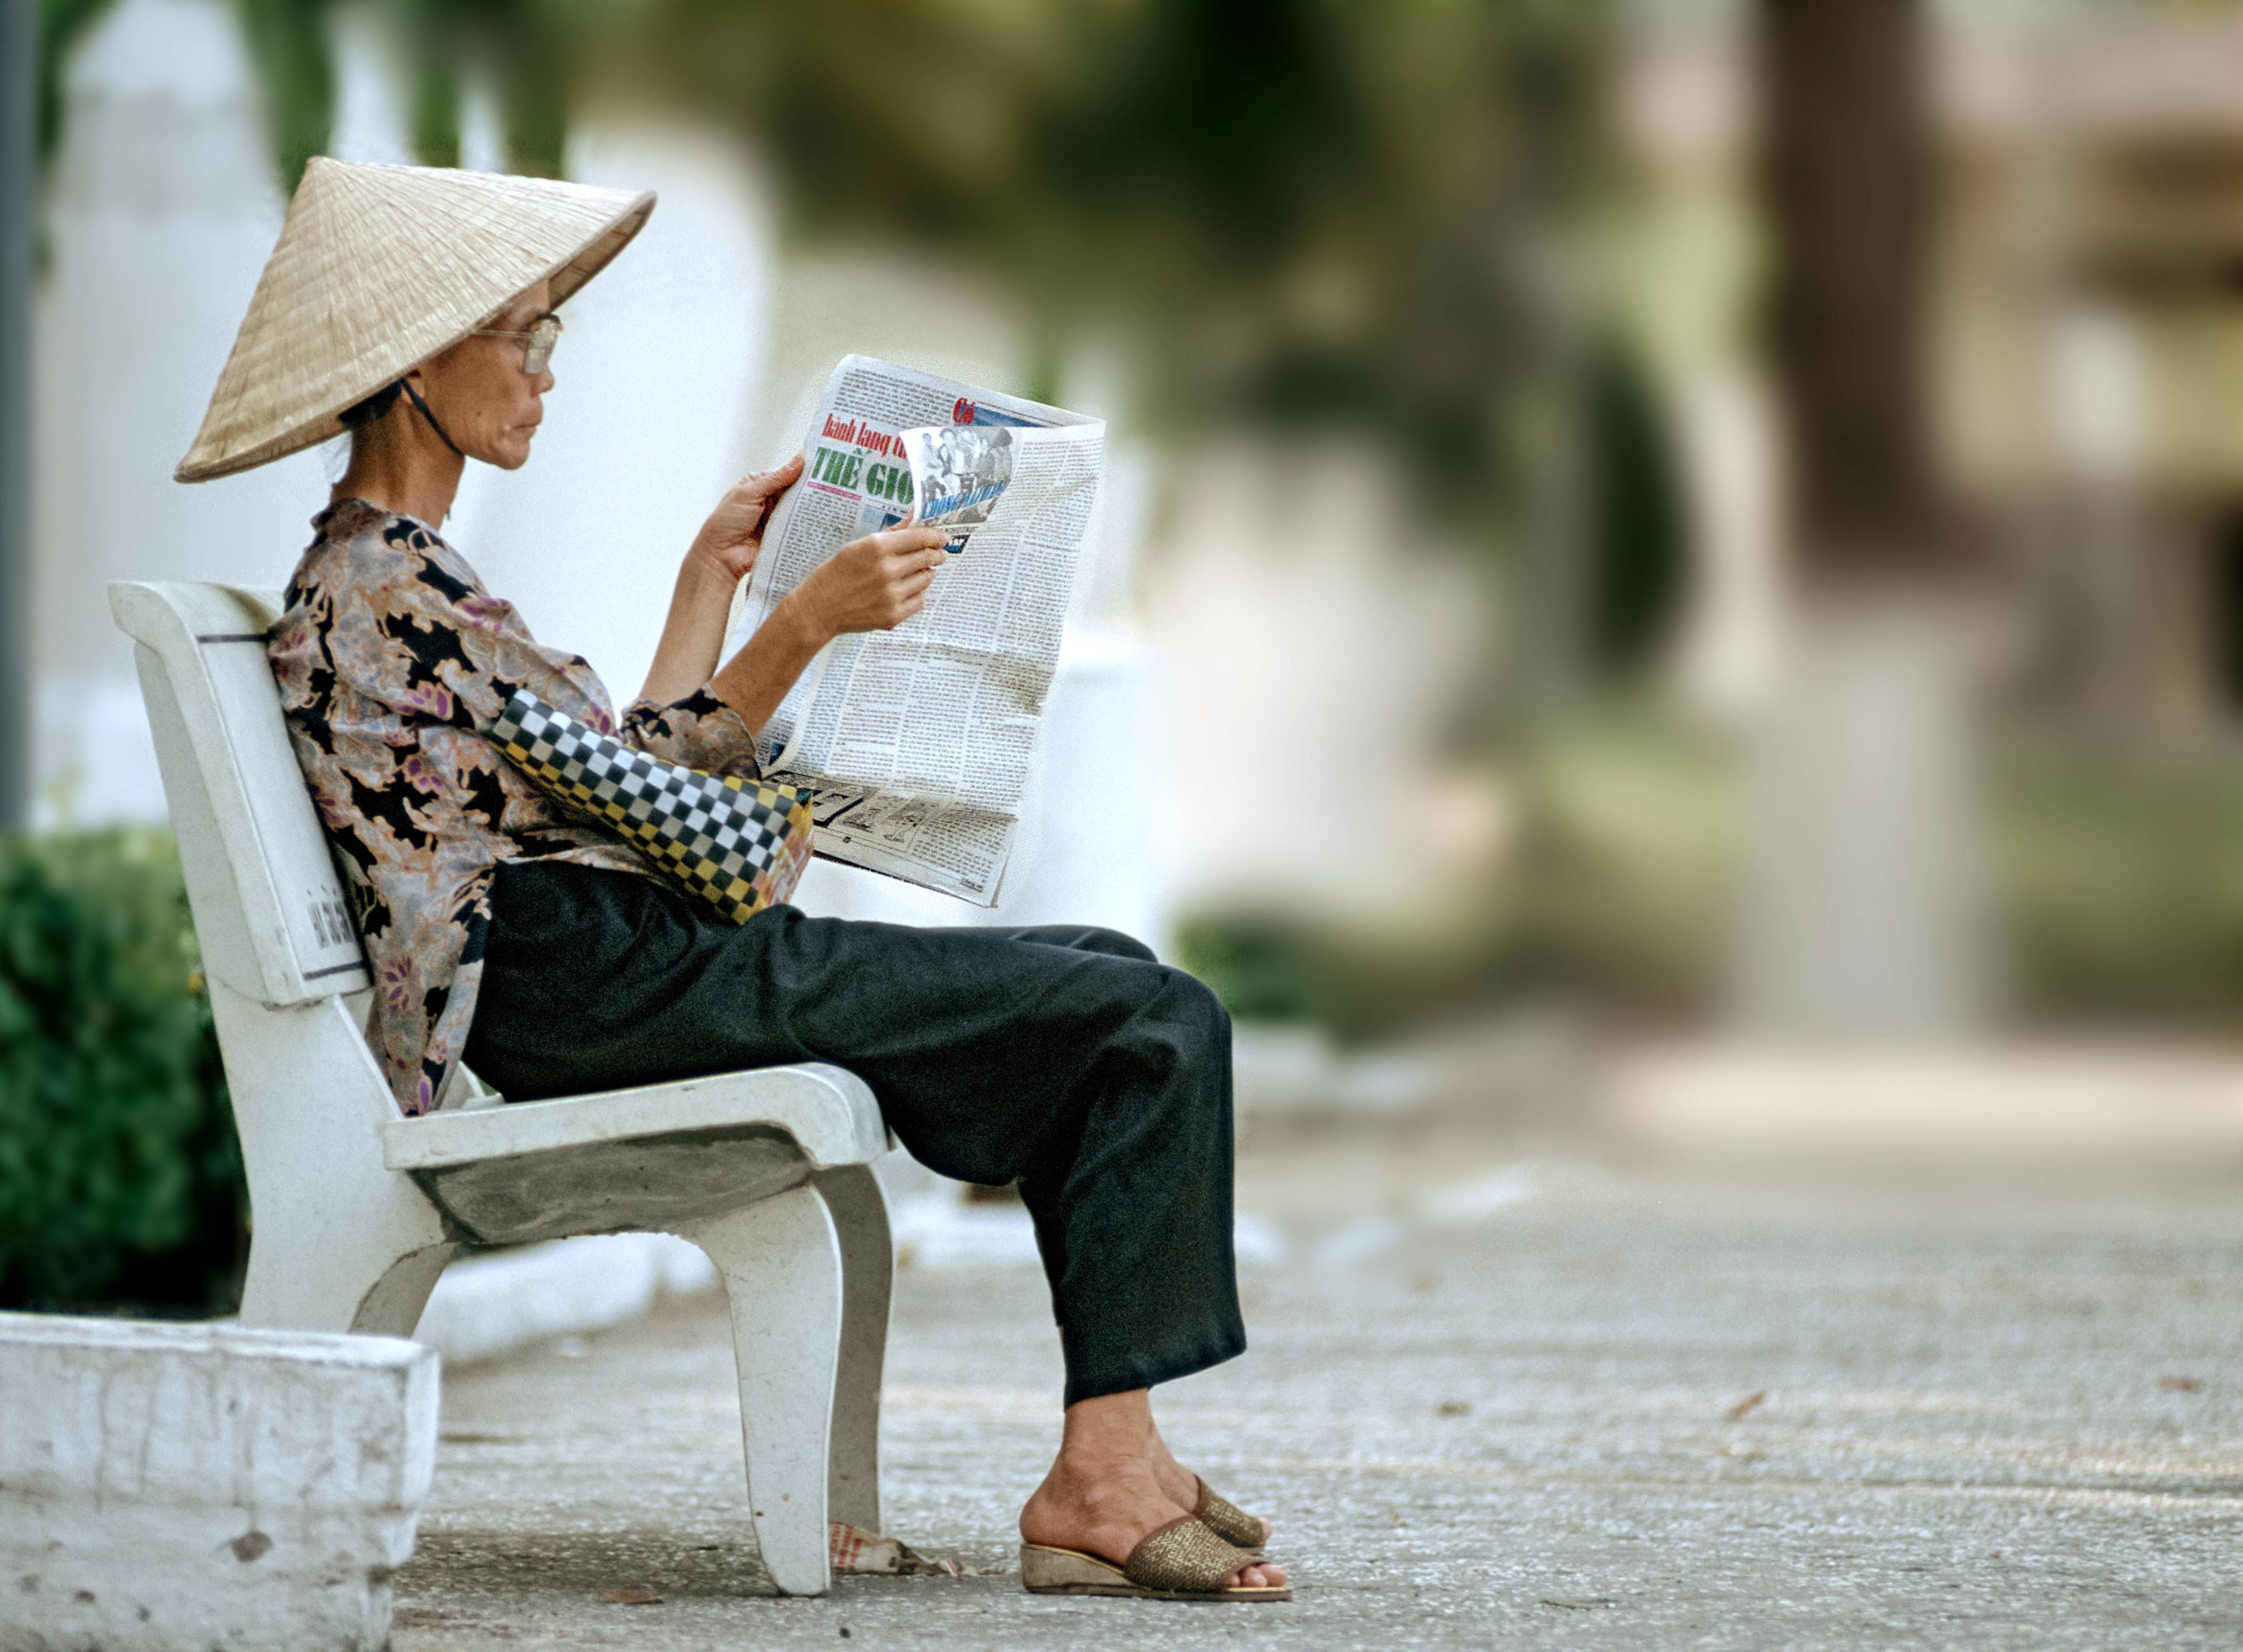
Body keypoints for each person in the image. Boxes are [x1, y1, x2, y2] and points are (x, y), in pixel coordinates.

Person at [175, 156, 1288, 1603]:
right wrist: (806, 630)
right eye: (519, 336)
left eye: (546, 335)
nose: (543, 371)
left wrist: (716, 583)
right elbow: (705, 844)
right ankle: (1104, 1481)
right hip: (585, 978)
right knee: (1156, 1019)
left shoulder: (394, 577)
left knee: (1117, 975)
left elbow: (618, 781)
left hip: (587, 964)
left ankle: (1113, 1458)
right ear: (413, 365)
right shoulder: (398, 592)